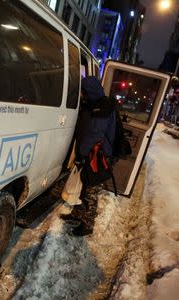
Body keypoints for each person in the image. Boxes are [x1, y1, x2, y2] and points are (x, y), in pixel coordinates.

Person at [61, 76, 117, 236]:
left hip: (97, 157)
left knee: (90, 192)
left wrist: (82, 154)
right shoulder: (95, 104)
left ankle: (87, 225)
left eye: (83, 92)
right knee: (82, 186)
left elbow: (94, 134)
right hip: (92, 154)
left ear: (89, 91)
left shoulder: (102, 108)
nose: (82, 95)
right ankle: (77, 215)